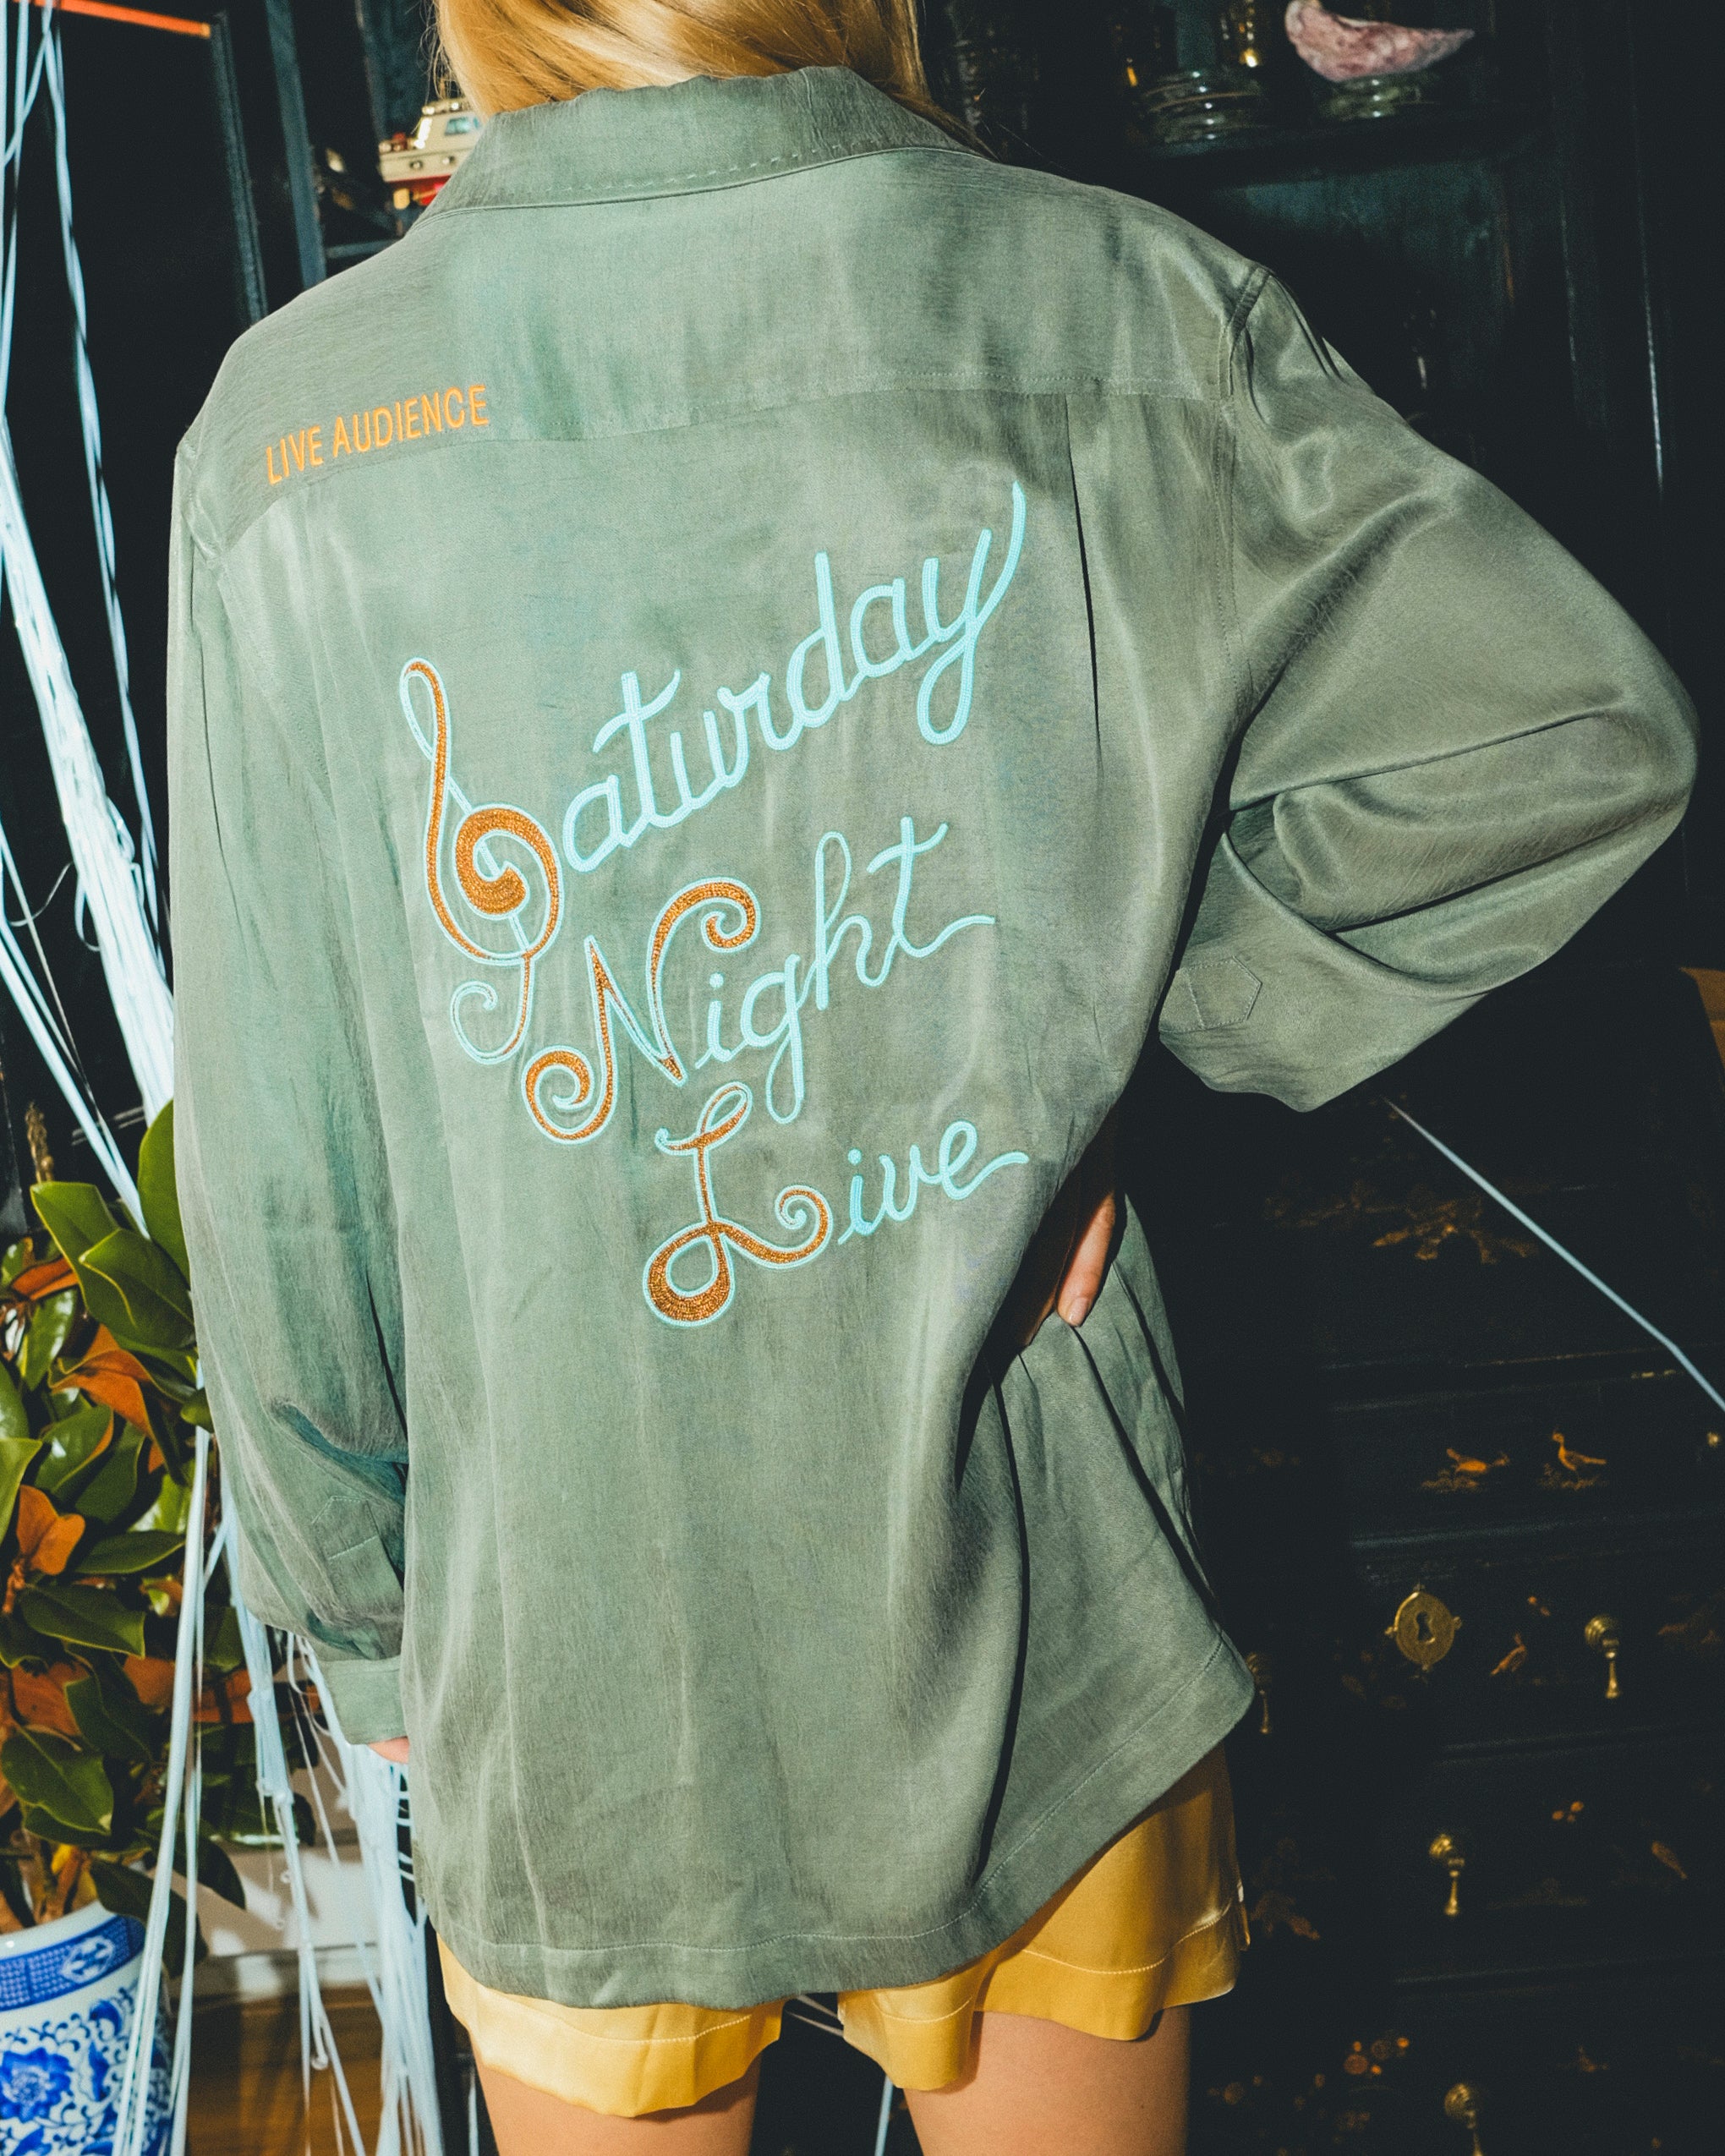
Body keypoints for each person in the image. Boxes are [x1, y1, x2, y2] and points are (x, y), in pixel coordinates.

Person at [166, 3, 1695, 2150]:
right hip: (1041, 1603)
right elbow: (1555, 742)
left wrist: (370, 1644)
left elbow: (285, 1173)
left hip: (578, 1640)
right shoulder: (1120, 303)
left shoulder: (294, 432)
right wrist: (1120, 1051)